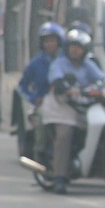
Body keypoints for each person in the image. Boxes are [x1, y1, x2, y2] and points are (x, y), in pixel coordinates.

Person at [42, 28, 105, 194]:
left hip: (81, 107)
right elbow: (56, 79)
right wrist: (66, 88)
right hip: (61, 108)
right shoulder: (60, 63)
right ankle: (59, 178)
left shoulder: (88, 65)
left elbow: (102, 79)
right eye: (72, 46)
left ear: (85, 50)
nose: (75, 50)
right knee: (65, 135)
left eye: (79, 47)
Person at [18, 21, 65, 162]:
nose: (49, 44)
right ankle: (40, 154)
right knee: (43, 118)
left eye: (53, 41)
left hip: (66, 102)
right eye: (46, 41)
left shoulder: (67, 60)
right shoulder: (36, 63)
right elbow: (22, 86)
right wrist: (34, 98)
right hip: (44, 103)